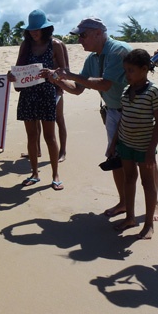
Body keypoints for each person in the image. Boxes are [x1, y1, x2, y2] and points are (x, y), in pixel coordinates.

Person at [56, 17, 142, 216]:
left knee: (143, 160)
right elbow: (78, 89)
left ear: (98, 33)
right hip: (112, 111)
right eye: (78, 37)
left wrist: (69, 75)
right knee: (116, 158)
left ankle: (153, 205)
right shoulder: (93, 58)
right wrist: (59, 80)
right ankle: (123, 202)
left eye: (83, 35)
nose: (80, 41)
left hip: (134, 112)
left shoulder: (117, 51)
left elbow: (105, 84)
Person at [109, 49, 158, 239]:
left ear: (144, 69)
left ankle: (148, 223)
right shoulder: (127, 90)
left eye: (131, 70)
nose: (127, 74)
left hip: (144, 146)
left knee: (147, 182)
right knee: (129, 178)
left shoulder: (154, 92)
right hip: (125, 143)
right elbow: (123, 118)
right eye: (126, 70)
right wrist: (114, 143)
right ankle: (130, 217)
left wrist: (151, 150)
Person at [7, 9, 64, 191]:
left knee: (49, 136)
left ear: (46, 29)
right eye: (31, 30)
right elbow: (18, 69)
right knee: (32, 136)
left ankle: (55, 174)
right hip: (28, 94)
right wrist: (12, 76)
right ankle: (35, 173)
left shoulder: (55, 45)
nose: (34, 32)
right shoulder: (25, 45)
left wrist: (53, 74)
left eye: (37, 29)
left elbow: (65, 70)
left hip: (47, 93)